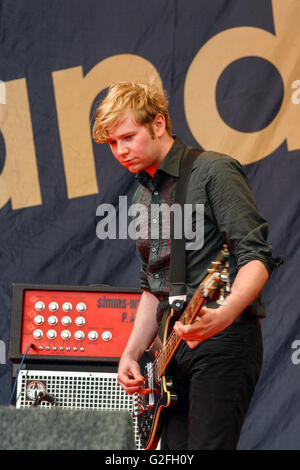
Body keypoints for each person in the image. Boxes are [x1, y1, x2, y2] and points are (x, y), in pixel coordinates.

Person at [92, 81, 281, 450]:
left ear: (158, 124)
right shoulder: (143, 196)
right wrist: (131, 354)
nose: (120, 151)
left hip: (223, 340)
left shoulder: (214, 171)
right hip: (170, 355)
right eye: (112, 143)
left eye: (128, 137)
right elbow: (152, 287)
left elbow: (256, 257)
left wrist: (224, 313)